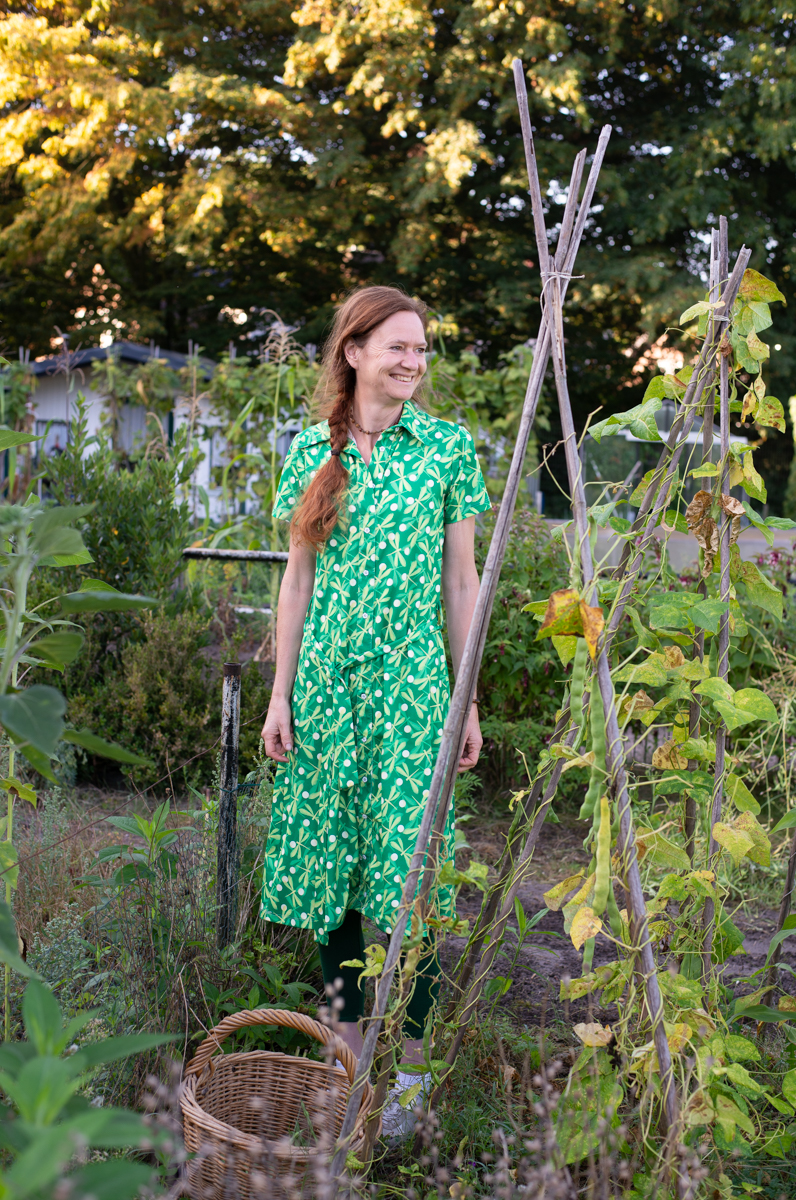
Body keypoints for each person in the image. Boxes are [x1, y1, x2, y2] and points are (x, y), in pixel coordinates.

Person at [260, 285, 489, 1141]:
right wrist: (280, 693)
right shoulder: (308, 452)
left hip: (413, 696)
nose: (413, 361)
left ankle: (412, 1079)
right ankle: (345, 1068)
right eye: (397, 346)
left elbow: (460, 583)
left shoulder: (446, 449)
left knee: (409, 882)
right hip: (326, 693)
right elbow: (296, 582)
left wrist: (466, 698)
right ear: (353, 352)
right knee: (333, 881)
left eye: (421, 348)